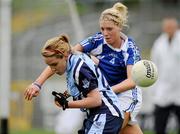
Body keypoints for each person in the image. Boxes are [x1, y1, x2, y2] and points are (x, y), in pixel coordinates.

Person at [24, 2, 143, 134]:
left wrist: (103, 91)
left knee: (110, 127)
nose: (105, 33)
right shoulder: (97, 40)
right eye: (102, 29)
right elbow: (63, 56)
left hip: (125, 95)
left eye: (109, 29)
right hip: (102, 94)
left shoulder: (130, 48)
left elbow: (131, 82)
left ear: (120, 27)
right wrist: (37, 84)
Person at [24, 34, 124, 134]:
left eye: (54, 64)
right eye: (49, 65)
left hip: (106, 113)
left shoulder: (79, 68)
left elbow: (96, 100)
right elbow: (85, 85)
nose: (53, 69)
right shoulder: (74, 61)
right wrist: (64, 96)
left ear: (64, 55)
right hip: (98, 114)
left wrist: (67, 104)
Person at [151, 17, 180, 134]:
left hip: (179, 88)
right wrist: (154, 88)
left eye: (171, 27)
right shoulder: (158, 43)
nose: (169, 29)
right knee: (159, 125)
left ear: (176, 27)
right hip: (163, 89)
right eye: (167, 27)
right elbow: (154, 65)